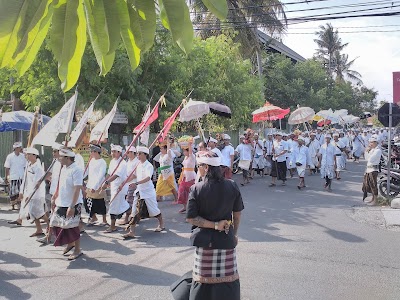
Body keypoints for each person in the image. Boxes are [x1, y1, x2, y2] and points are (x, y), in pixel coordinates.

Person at [185, 151, 244, 300]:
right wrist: (234, 234)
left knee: (203, 281)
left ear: (206, 167)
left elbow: (191, 218)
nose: (198, 168)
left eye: (199, 166)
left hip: (205, 243)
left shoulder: (196, 189)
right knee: (228, 280)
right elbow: (237, 214)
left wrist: (214, 225)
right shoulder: (232, 185)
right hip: (226, 239)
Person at [123, 146, 165, 240]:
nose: (138, 155)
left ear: (145, 155)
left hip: (148, 192)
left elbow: (148, 178)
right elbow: (134, 175)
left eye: (139, 154)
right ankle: (132, 232)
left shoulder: (148, 165)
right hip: (139, 192)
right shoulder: (138, 165)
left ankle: (161, 224)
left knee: (153, 210)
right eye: (137, 153)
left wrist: (136, 183)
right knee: (134, 211)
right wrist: (125, 181)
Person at [49, 147, 83, 260]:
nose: (59, 158)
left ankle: (77, 249)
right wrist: (55, 195)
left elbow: (77, 188)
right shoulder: (63, 168)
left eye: (61, 156)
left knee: (73, 227)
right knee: (57, 224)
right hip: (61, 201)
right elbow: (60, 183)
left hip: (72, 203)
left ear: (67, 158)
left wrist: (72, 206)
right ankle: (70, 243)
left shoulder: (76, 169)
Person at [8, 147, 48, 236]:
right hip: (29, 192)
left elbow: (36, 184)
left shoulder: (38, 167)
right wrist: (21, 192)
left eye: (29, 154)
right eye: (27, 154)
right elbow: (25, 179)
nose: (27, 156)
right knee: (33, 212)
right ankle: (39, 229)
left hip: (36, 194)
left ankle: (50, 226)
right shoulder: (28, 165)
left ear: (34, 156)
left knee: (39, 213)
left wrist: (29, 196)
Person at [101, 144, 129, 233]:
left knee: (113, 206)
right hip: (113, 186)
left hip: (120, 187)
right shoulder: (113, 161)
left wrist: (107, 182)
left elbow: (117, 175)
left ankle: (112, 226)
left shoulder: (123, 163)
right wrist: (105, 182)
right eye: (112, 151)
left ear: (119, 152)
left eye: (114, 151)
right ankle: (132, 213)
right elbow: (109, 173)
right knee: (121, 205)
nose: (112, 153)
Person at [85, 144, 108, 226]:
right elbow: (87, 172)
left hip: (98, 185)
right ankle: (93, 217)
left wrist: (95, 186)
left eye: (92, 151)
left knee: (100, 203)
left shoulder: (102, 162)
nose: (90, 153)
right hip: (90, 184)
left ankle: (104, 220)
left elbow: (100, 175)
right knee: (88, 202)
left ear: (96, 152)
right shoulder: (91, 160)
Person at [4, 142, 26, 210]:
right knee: (13, 192)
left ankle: (19, 205)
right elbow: (7, 167)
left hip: (21, 176)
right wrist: (6, 176)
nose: (20, 149)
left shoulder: (23, 156)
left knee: (20, 191)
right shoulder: (10, 156)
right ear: (15, 148)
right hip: (13, 176)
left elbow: (25, 167)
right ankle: (13, 205)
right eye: (18, 148)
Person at [177, 138, 196, 213]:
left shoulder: (192, 156)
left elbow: (191, 152)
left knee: (191, 192)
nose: (184, 152)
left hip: (191, 176)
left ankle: (192, 207)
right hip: (184, 175)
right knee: (181, 191)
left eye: (185, 150)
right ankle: (185, 206)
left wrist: (189, 144)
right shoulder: (185, 157)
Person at [122, 145, 140, 225]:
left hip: (133, 184)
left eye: (129, 152)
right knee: (131, 202)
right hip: (127, 184)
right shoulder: (128, 161)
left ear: (133, 153)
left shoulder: (137, 162)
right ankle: (135, 217)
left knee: (129, 202)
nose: (127, 154)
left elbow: (134, 175)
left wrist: (126, 181)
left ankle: (127, 218)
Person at [362, 137, 382, 205]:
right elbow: (366, 158)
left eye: (372, 142)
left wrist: (368, 152)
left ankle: (375, 200)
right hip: (369, 169)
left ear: (375, 143)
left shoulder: (377, 150)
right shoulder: (372, 150)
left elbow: (371, 159)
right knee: (368, 184)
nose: (370, 144)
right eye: (370, 142)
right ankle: (372, 198)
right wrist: (367, 151)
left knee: (373, 185)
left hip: (373, 169)